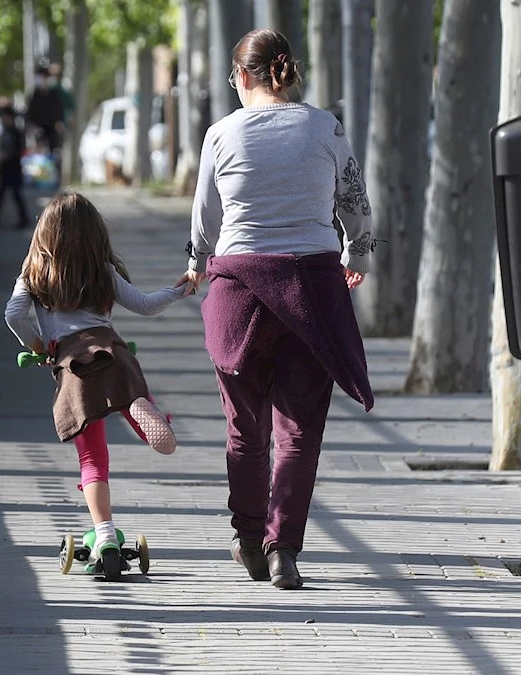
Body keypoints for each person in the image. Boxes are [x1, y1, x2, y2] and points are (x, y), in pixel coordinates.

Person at [179, 29, 375, 590]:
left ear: (242, 76)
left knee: (245, 429)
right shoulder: (325, 127)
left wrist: (196, 264)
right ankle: (283, 548)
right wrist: (356, 250)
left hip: (239, 289)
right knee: (299, 429)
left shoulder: (221, 134)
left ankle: (246, 537)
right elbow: (353, 199)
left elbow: (206, 218)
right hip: (311, 284)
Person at [5, 191, 186, 580]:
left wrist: (41, 346)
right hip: (113, 353)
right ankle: (148, 414)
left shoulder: (35, 272)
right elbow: (145, 304)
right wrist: (180, 289)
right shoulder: (102, 270)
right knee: (129, 394)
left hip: (73, 367)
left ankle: (104, 534)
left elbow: (14, 313)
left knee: (93, 461)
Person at [0, 102, 29, 229]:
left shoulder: (14, 132)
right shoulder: (7, 131)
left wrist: (4, 157)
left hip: (12, 168)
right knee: (4, 195)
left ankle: (21, 219)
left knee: (12, 195)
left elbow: (15, 150)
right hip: (7, 168)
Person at [26, 64, 64, 157]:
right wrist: (31, 125)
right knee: (39, 152)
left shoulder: (53, 93)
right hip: (38, 129)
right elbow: (31, 112)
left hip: (51, 129)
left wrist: (59, 122)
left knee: (53, 153)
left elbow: (58, 109)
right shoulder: (35, 94)